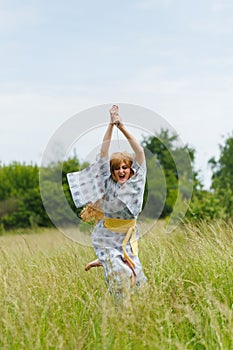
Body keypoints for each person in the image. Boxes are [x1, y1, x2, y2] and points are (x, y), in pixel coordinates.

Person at [67, 105, 147, 298]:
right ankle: (121, 313)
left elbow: (140, 152)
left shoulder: (137, 180)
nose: (121, 171)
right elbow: (104, 152)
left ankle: (103, 260)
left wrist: (121, 126)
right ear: (112, 172)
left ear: (130, 169)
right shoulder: (108, 183)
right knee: (122, 276)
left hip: (127, 235)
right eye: (117, 169)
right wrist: (110, 125)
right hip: (108, 234)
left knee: (139, 279)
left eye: (124, 167)